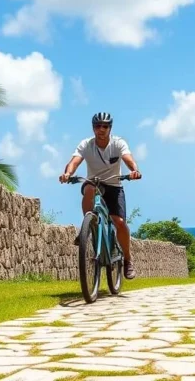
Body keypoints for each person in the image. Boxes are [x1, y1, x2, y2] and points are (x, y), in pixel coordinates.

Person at [59, 111, 142, 279]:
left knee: (119, 222)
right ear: (93, 128)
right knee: (88, 188)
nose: (101, 129)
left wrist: (134, 170)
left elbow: (128, 158)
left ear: (110, 128)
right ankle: (88, 226)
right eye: (98, 126)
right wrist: (67, 174)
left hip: (114, 185)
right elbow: (74, 161)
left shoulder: (118, 143)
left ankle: (127, 259)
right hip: (95, 183)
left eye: (105, 126)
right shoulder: (86, 144)